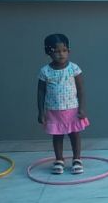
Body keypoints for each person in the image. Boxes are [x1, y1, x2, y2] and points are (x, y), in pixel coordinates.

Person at [37, 33, 89, 174]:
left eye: (64, 50)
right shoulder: (45, 71)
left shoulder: (74, 68)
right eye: (57, 51)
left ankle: (77, 159)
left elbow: (81, 89)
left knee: (74, 134)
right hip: (53, 110)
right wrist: (41, 112)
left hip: (72, 109)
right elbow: (40, 92)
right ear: (48, 52)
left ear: (69, 51)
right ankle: (59, 159)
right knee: (57, 135)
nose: (61, 54)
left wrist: (82, 108)